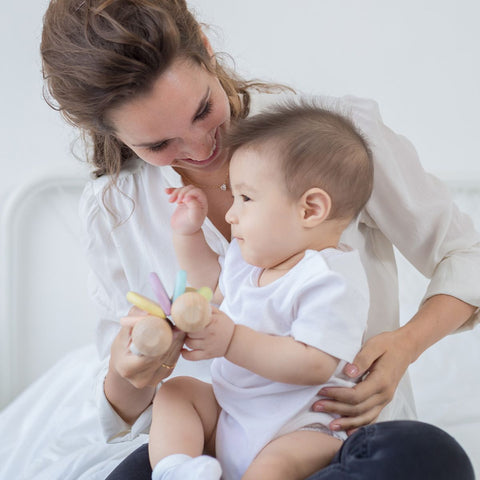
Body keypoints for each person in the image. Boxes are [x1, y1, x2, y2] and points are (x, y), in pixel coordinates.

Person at [37, 0, 479, 478]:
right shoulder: (115, 207)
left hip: (330, 433)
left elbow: (465, 254)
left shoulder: (331, 143)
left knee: (429, 458)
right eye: (159, 145)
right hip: (211, 443)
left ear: (206, 51)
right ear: (115, 137)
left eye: (204, 110)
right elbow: (129, 397)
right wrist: (134, 369)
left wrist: (405, 345)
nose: (201, 149)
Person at [149, 102, 373, 480]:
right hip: (232, 411)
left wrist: (233, 340)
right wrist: (187, 233)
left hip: (301, 425)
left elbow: (314, 363)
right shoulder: (248, 260)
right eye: (232, 196)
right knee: (175, 392)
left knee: (276, 466)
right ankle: (176, 469)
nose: (231, 213)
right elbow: (211, 288)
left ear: (310, 209)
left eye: (246, 198)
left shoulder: (329, 277)